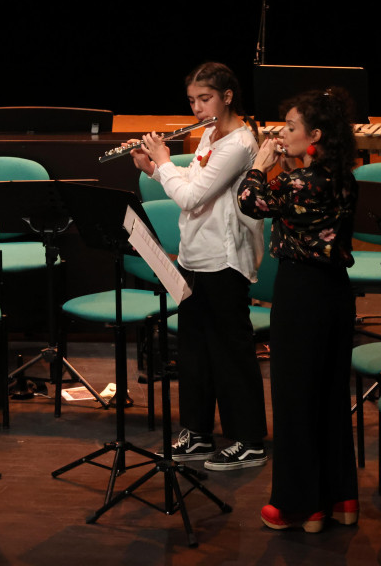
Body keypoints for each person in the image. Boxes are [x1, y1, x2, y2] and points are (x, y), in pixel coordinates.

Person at [130, 62, 268, 471]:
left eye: (204, 99)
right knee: (193, 351)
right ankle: (198, 433)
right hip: (194, 255)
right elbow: (191, 180)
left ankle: (249, 440)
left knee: (231, 351)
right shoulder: (211, 134)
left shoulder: (240, 144)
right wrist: (153, 169)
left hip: (224, 260)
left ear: (227, 96)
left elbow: (192, 197)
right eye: (192, 100)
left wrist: (162, 159)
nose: (197, 108)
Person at [238, 88, 359, 533]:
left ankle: (300, 505)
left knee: (293, 400)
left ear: (316, 135)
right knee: (328, 396)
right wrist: (285, 163)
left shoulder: (296, 183)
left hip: (301, 295)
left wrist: (258, 164)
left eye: (290, 127)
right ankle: (340, 498)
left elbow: (249, 201)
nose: (281, 133)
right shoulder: (344, 177)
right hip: (335, 295)